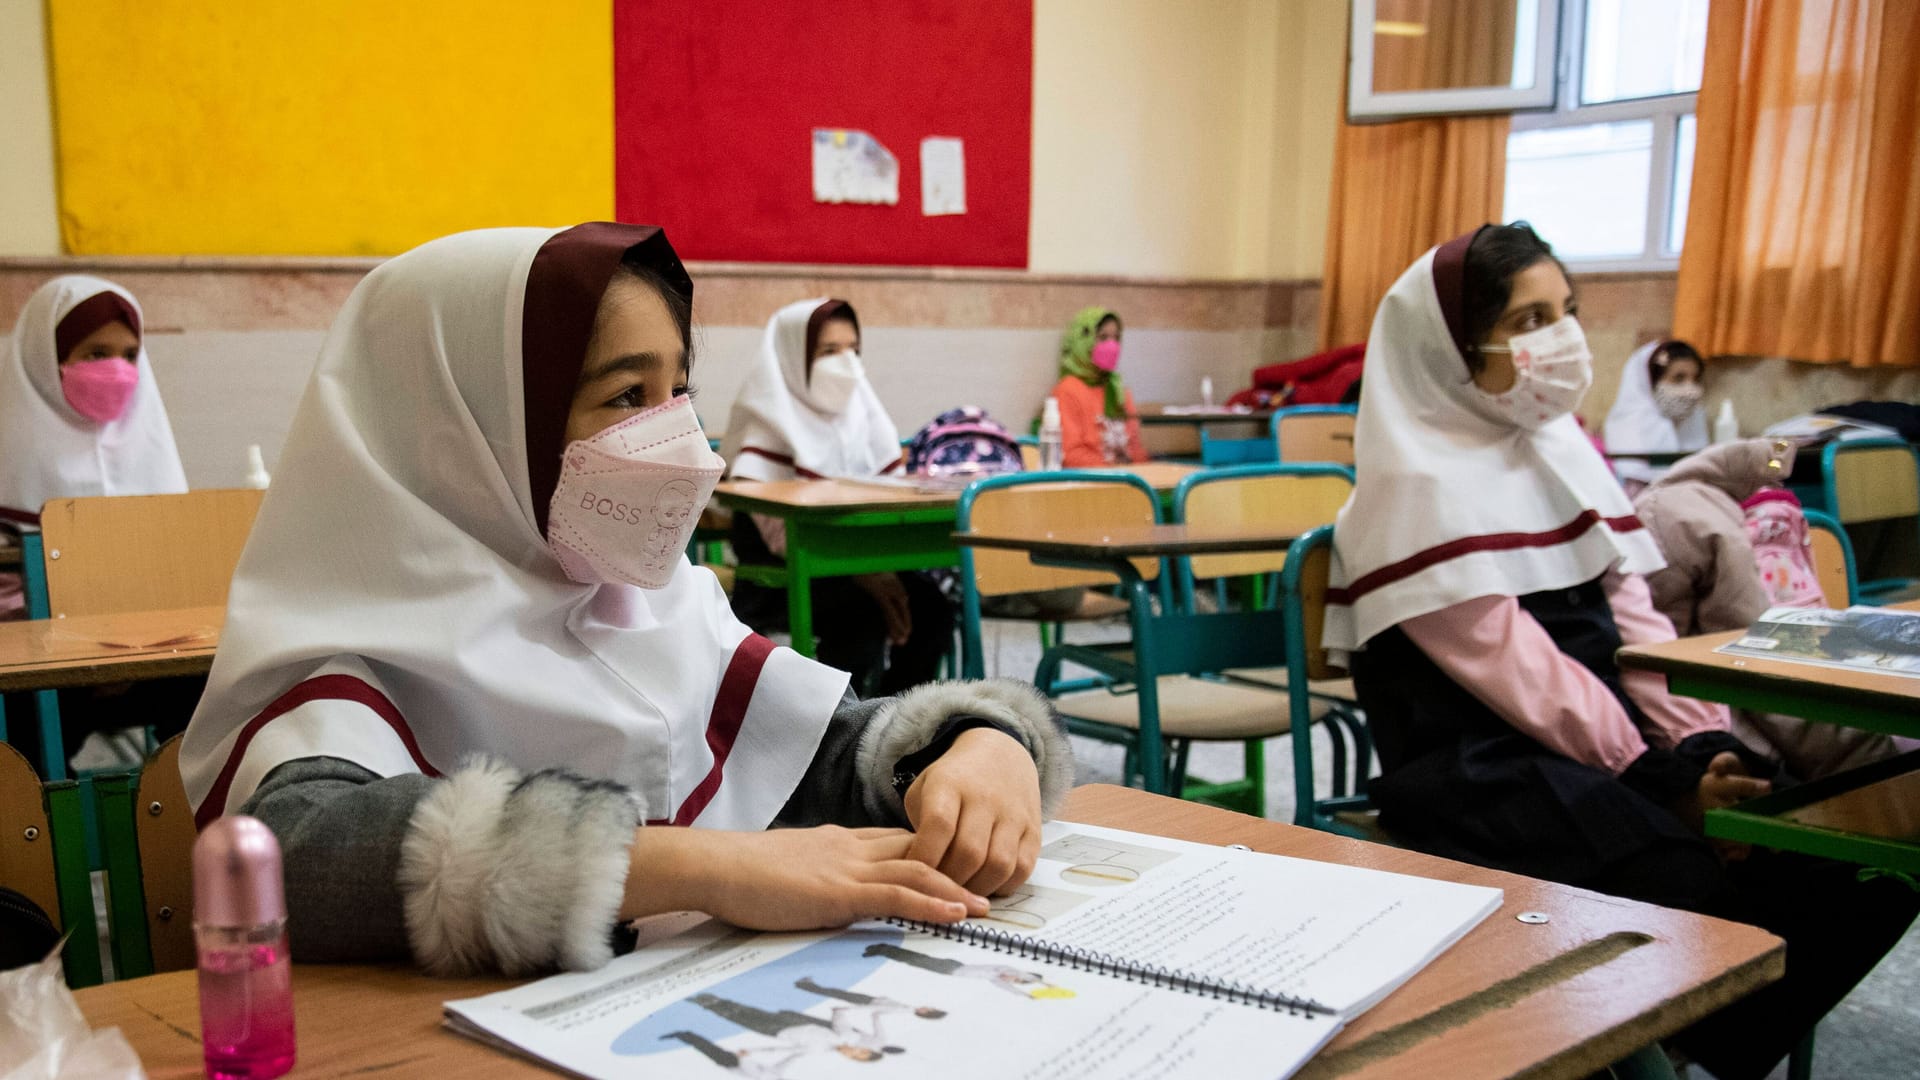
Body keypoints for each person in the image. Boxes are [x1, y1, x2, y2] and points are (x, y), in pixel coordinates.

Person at [178, 224, 1075, 978]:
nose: (681, 439)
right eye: (624, 396)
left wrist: (979, 743)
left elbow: (816, 749)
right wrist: (701, 868)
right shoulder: (356, 643)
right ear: (470, 432)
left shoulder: (651, 605)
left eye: (677, 389)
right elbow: (290, 855)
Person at [1325, 222, 1917, 1080]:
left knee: (1850, 850)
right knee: (1686, 882)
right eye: (1527, 321)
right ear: (1450, 346)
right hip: (1484, 762)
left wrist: (1702, 746)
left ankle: (1689, 1030)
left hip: (1611, 739)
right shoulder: (1409, 489)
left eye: (1564, 310)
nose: (1561, 338)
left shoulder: (1562, 451)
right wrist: (1660, 783)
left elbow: (1637, 626)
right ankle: (1672, 1031)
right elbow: (1522, 675)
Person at [722, 299, 955, 696]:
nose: (846, 362)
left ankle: (899, 720)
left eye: (853, 349)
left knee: (932, 608)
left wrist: (875, 570)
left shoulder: (862, 414)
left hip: (857, 563)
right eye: (829, 351)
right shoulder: (766, 421)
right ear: (794, 356)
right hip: (783, 578)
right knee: (861, 617)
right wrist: (865, 574)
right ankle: (835, 734)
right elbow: (779, 535)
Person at [1634, 437, 1906, 778]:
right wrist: (1872, 756)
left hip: (1745, 715)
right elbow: (1755, 661)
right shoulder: (1701, 523)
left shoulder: (1679, 513)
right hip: (1742, 739)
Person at [1, 275, 188, 620]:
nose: (117, 370)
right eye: (97, 353)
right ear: (46, 356)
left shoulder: (150, 445)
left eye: (130, 355)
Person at [1602, 338, 1709, 493]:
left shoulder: (1694, 422)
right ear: (1649, 382)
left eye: (1695, 379)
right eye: (1678, 378)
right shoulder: (1629, 433)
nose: (1690, 389)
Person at [1049, 307, 1145, 467]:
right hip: (1094, 482)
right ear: (1084, 340)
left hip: (1130, 480)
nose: (1112, 345)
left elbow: (1135, 448)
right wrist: (1116, 472)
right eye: (1103, 337)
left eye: (1116, 338)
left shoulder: (1118, 389)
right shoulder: (1067, 391)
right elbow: (1070, 455)